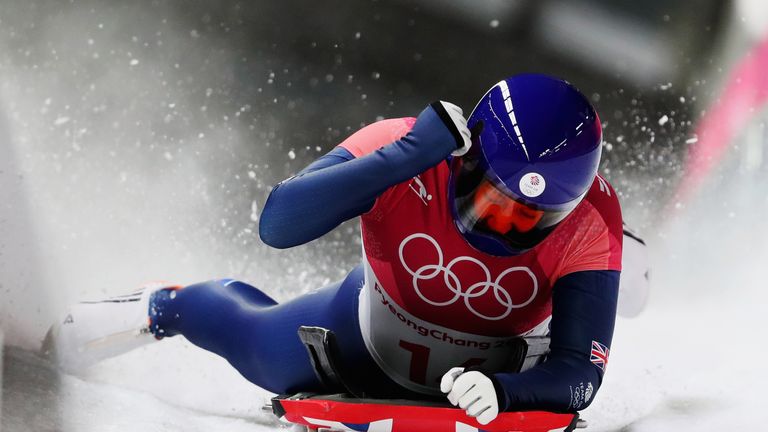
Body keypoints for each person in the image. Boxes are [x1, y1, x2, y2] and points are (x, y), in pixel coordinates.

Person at [48, 74, 624, 426]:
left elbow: (581, 374)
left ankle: (627, 266)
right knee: (244, 334)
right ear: (465, 160)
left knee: (606, 276)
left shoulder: (593, 220)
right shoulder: (404, 144)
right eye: (490, 202)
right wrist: (405, 157)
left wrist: (506, 392)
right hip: (362, 332)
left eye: (529, 219)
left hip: (495, 375)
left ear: (569, 207)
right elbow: (278, 225)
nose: (500, 229)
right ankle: (158, 306)